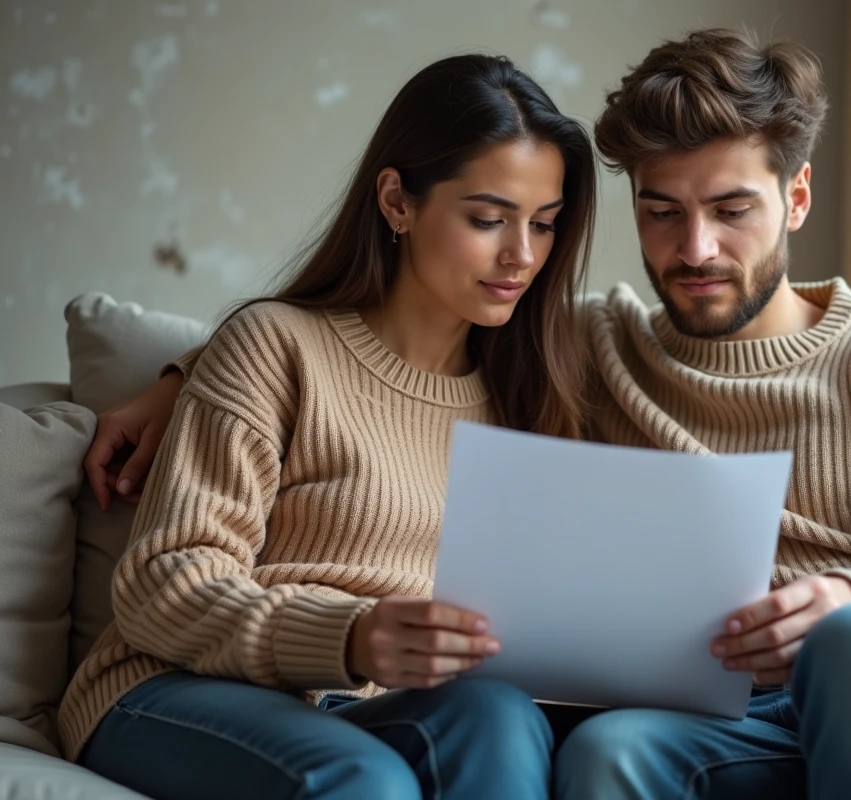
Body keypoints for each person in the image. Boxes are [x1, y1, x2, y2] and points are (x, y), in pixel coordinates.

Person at [87, 29, 851, 800]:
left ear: (796, 200)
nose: (696, 248)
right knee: (609, 750)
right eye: (662, 211)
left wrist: (846, 596)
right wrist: (179, 379)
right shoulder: (584, 349)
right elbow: (343, 343)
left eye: (733, 210)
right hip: (747, 713)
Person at [58, 53, 596, 800]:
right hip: (173, 690)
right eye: (487, 219)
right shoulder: (277, 346)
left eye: (544, 224)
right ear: (397, 201)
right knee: (365, 779)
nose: (522, 256)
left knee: (499, 716)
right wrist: (351, 635)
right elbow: (162, 582)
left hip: (373, 710)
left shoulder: (533, 396)